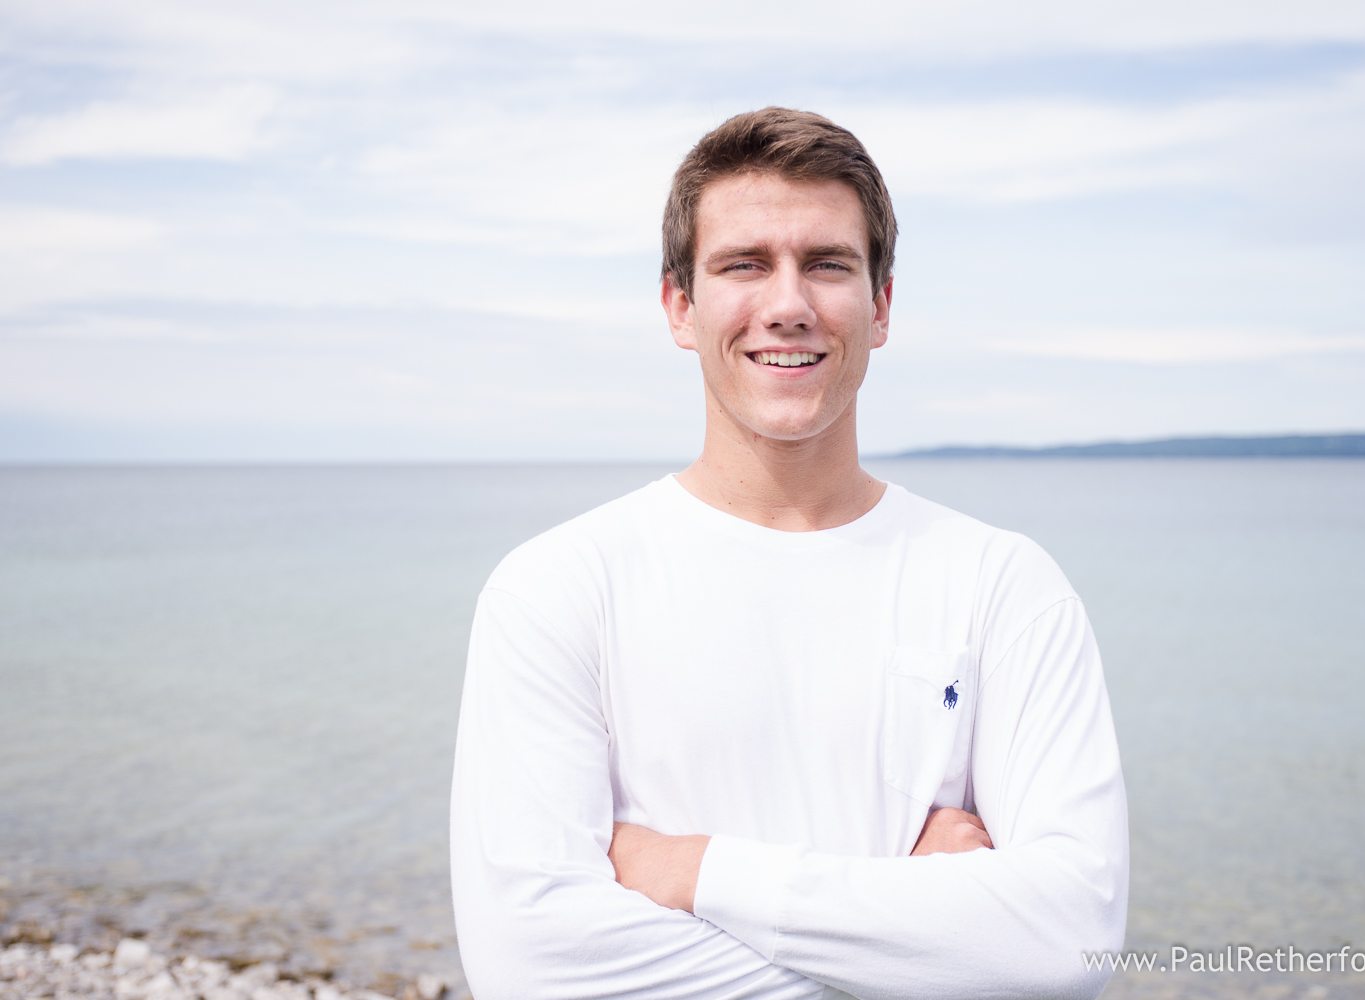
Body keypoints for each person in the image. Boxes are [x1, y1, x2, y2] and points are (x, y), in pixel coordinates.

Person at [450, 107, 1129, 999]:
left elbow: (1068, 942)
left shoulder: (1001, 585)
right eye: (743, 265)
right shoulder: (561, 587)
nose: (788, 306)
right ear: (680, 307)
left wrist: (695, 872)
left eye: (827, 265)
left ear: (880, 306)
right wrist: (920, 916)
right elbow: (531, 966)